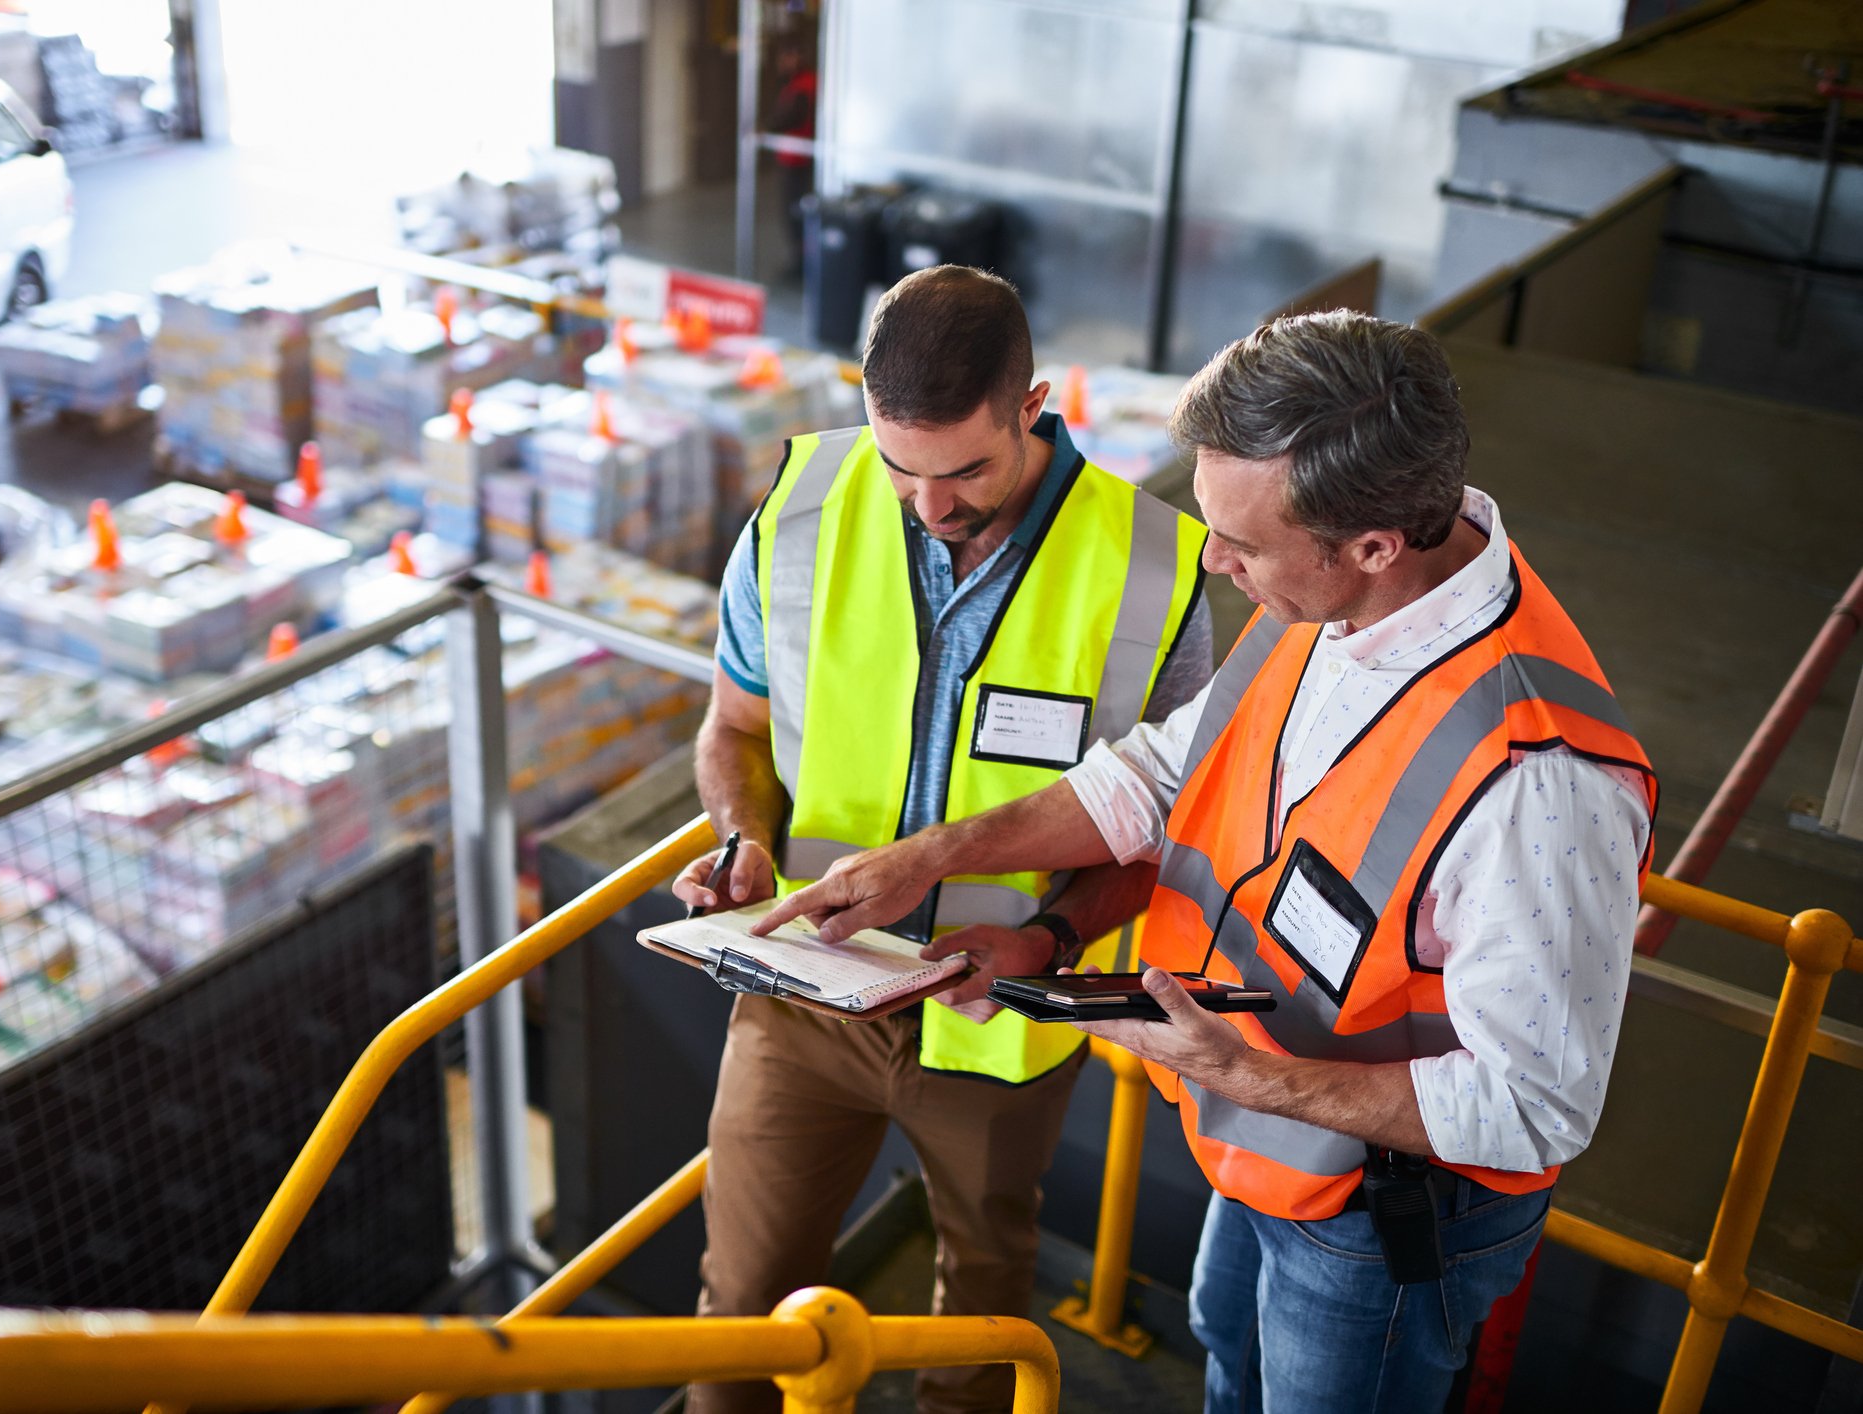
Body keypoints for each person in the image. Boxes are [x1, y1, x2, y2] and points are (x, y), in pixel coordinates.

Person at [756, 311, 1657, 1413]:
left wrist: (1239, 1071)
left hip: (1376, 1215)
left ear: (1373, 543)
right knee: (1226, 1352)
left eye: (1239, 541)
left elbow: (1532, 1106)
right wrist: (936, 857)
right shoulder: (1326, 597)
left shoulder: (1538, 785)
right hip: (1270, 1139)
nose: (1213, 560)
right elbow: (1158, 774)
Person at [672, 264, 1213, 1413]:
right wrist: (743, 839)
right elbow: (733, 725)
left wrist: (1056, 932)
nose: (928, 503)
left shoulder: (1159, 569)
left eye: (963, 468)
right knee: (741, 1314)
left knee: (977, 1336)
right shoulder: (805, 506)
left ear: (1032, 405)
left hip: (998, 1023)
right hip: (802, 993)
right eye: (898, 465)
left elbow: (1166, 831)